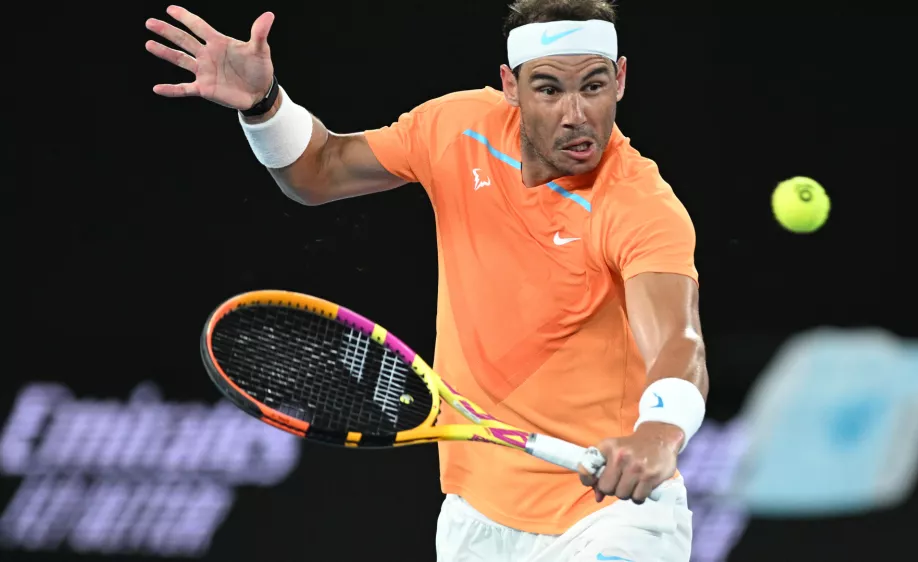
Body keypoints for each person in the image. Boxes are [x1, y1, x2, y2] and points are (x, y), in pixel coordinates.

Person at [146, 1, 708, 560]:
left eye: (594, 85)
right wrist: (265, 106)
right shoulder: (459, 129)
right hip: (475, 517)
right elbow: (317, 169)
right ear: (510, 86)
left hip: (610, 519)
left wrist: (657, 436)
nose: (576, 114)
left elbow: (678, 343)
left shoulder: (641, 207)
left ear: (622, 80)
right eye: (548, 90)